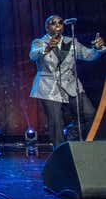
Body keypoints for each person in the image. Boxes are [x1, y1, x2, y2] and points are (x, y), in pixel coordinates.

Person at [29, 14, 105, 148]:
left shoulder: (71, 42)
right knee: (56, 123)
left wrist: (97, 49)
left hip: (70, 84)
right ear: (47, 27)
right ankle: (59, 152)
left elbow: (88, 55)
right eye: (53, 23)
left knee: (90, 114)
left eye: (60, 22)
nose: (57, 25)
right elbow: (33, 55)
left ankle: (71, 133)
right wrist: (46, 49)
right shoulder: (39, 42)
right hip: (48, 87)